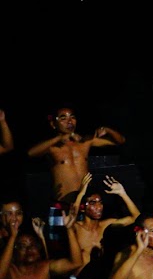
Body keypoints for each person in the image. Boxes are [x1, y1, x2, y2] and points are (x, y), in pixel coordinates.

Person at [26, 105, 126, 257]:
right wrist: (60, 138)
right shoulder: (52, 147)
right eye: (63, 118)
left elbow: (120, 141)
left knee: (85, 248)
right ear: (53, 124)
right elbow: (30, 153)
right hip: (62, 205)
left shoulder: (84, 142)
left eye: (72, 116)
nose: (69, 121)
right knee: (59, 249)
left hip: (84, 207)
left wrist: (107, 129)